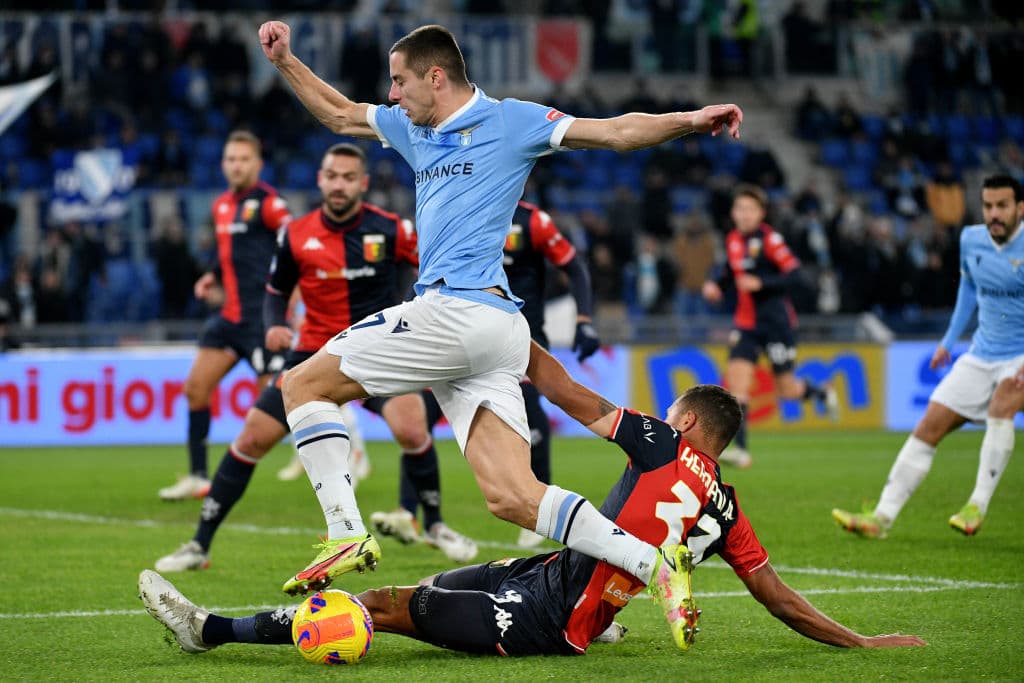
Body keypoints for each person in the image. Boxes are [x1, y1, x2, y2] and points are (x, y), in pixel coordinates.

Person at [258, 20, 742, 647]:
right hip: (498, 332)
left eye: (400, 81)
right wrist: (286, 61)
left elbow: (617, 132)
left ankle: (346, 528)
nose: (392, 94)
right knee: (514, 497)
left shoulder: (513, 121)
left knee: (300, 385)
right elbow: (344, 116)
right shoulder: (413, 128)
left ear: (437, 76)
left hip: (456, 313)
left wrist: (690, 118)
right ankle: (653, 564)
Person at [139, 342, 927, 656]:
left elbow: (574, 395)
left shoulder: (658, 439)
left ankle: (211, 629)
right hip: (551, 574)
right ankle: (618, 603)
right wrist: (861, 642)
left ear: (686, 420)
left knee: (383, 603)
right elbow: (778, 596)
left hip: (552, 617)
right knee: (431, 588)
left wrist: (509, 340)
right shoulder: (727, 507)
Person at [153, 143, 477, 572]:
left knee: (411, 424)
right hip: (312, 356)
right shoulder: (297, 233)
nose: (338, 184)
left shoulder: (392, 229)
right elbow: (275, 290)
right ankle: (199, 545)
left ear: (362, 184)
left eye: (348, 177)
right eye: (331, 176)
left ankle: (434, 525)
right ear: (320, 179)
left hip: (377, 353)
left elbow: (434, 272)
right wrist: (272, 323)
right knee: (251, 438)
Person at [371, 199, 601, 549]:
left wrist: (584, 320)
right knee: (418, 421)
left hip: (519, 338)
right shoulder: (457, 213)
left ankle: (539, 507)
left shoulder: (532, 221)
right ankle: (410, 511)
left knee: (531, 421)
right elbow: (426, 277)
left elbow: (575, 267)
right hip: (461, 336)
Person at [833, 174, 1024, 538]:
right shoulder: (971, 239)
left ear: (1020, 208)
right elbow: (969, 287)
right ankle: (881, 518)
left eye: (1002, 206)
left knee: (1002, 407)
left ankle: (976, 507)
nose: (994, 214)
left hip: (1021, 355)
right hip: (982, 353)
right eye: (988, 206)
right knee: (928, 427)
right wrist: (948, 343)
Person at [158, 130, 291, 501]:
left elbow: (294, 242)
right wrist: (211, 276)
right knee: (195, 389)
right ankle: (198, 476)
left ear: (257, 164)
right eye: (231, 159)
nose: (236, 165)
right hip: (229, 318)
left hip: (263, 321)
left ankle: (339, 457)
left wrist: (289, 301)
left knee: (279, 409)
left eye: (243, 159)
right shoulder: (220, 206)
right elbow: (230, 252)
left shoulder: (269, 204)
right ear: (223, 164)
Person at [701, 183, 838, 469]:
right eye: (740, 208)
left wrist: (762, 283)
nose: (744, 214)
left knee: (787, 390)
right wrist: (716, 284)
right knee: (736, 386)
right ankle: (740, 451)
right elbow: (731, 269)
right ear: (733, 213)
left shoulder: (771, 240)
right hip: (746, 324)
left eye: (750, 209)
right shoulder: (733, 239)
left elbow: (798, 276)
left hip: (777, 324)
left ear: (761, 213)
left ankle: (821, 392)